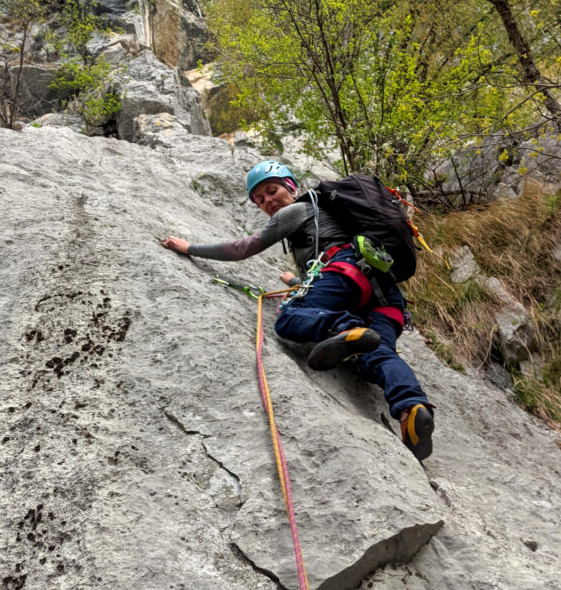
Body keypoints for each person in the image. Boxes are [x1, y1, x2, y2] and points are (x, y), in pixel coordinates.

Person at [162, 160, 435, 460]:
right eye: (260, 199)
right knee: (377, 352)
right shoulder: (325, 218)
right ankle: (412, 409)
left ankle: (345, 328)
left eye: (272, 190)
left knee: (289, 318)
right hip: (386, 297)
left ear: (290, 186)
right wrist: (297, 281)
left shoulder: (298, 210)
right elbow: (328, 282)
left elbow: (245, 248)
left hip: (345, 274)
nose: (268, 201)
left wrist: (190, 248)